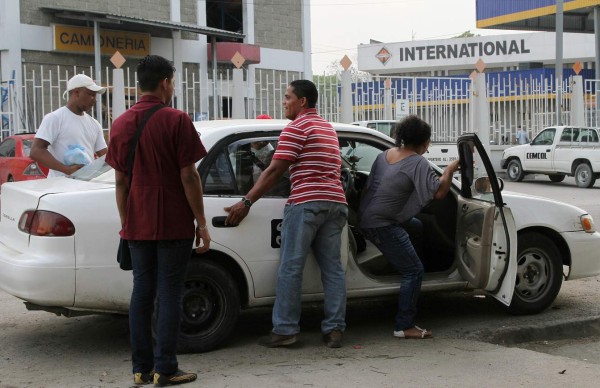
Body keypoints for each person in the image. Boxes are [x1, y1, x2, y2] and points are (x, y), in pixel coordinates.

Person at [105, 55, 210, 387]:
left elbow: (120, 182)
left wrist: (127, 221)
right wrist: (202, 223)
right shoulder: (176, 120)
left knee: (142, 292)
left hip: (137, 221)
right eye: (173, 81)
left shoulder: (120, 123)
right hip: (173, 221)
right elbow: (189, 176)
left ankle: (141, 370)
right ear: (165, 82)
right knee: (169, 293)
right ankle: (166, 369)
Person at [225, 80, 348, 349]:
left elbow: (273, 171)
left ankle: (285, 330)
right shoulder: (328, 128)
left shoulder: (297, 127)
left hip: (306, 203)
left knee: (291, 268)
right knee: (334, 270)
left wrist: (246, 202)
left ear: (302, 101)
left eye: (287, 96)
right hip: (336, 203)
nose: (284, 102)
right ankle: (335, 330)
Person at [359, 115, 460, 340]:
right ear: (424, 142)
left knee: (416, 225)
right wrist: (449, 170)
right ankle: (404, 325)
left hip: (367, 217)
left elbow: (368, 190)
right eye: (429, 141)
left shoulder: (383, 155)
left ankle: (406, 274)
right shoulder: (417, 162)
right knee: (414, 271)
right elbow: (441, 193)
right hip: (382, 224)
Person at [31, 74, 108, 177]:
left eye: (95, 96)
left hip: (86, 186)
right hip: (60, 188)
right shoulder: (55, 118)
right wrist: (67, 170)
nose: (94, 100)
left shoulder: (94, 124)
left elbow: (105, 157)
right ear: (77, 92)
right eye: (91, 94)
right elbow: (36, 151)